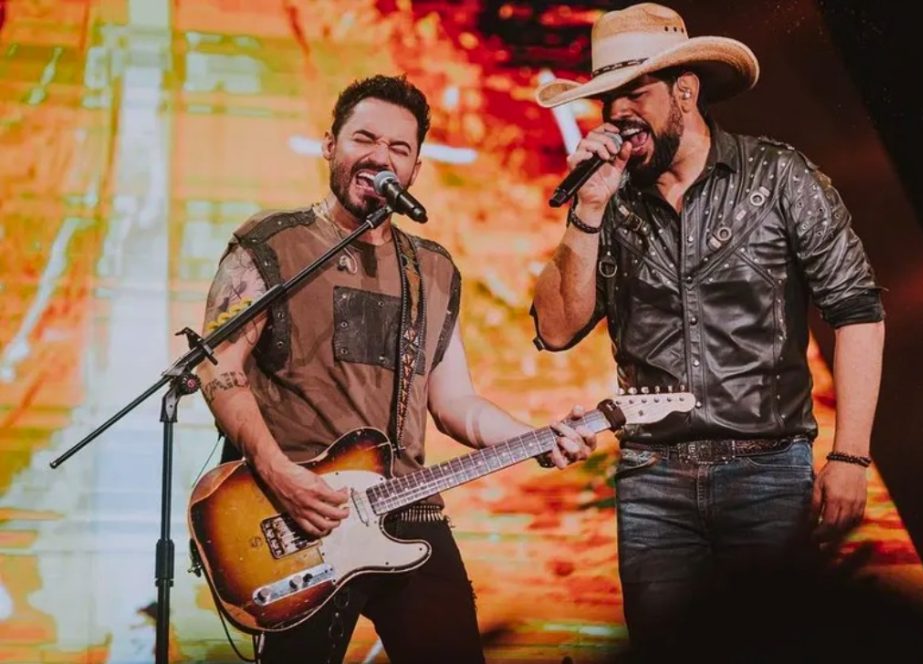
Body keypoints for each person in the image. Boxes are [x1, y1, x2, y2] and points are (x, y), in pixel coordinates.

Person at [196, 73, 597, 664]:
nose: (380, 157)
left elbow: (456, 403)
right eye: (364, 139)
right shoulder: (271, 243)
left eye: (398, 149)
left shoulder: (432, 269)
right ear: (330, 144)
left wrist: (535, 438)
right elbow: (218, 369)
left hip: (408, 508)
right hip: (300, 513)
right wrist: (280, 475)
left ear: (414, 169)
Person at [529, 3, 886, 661]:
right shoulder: (611, 202)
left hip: (767, 470)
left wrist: (850, 457)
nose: (618, 113)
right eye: (609, 98)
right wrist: (587, 209)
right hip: (653, 478)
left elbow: (857, 311)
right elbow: (554, 330)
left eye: (636, 92)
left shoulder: (779, 176)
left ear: (685, 91)